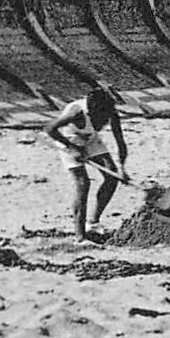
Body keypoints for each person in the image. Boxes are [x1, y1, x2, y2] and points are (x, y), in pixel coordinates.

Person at [43, 87, 129, 242]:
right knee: (83, 183)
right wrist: (72, 148)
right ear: (93, 110)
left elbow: (120, 142)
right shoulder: (76, 112)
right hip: (68, 139)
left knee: (112, 176)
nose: (104, 121)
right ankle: (80, 237)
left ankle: (93, 223)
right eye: (101, 116)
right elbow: (50, 129)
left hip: (90, 139)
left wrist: (122, 169)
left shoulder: (111, 113)